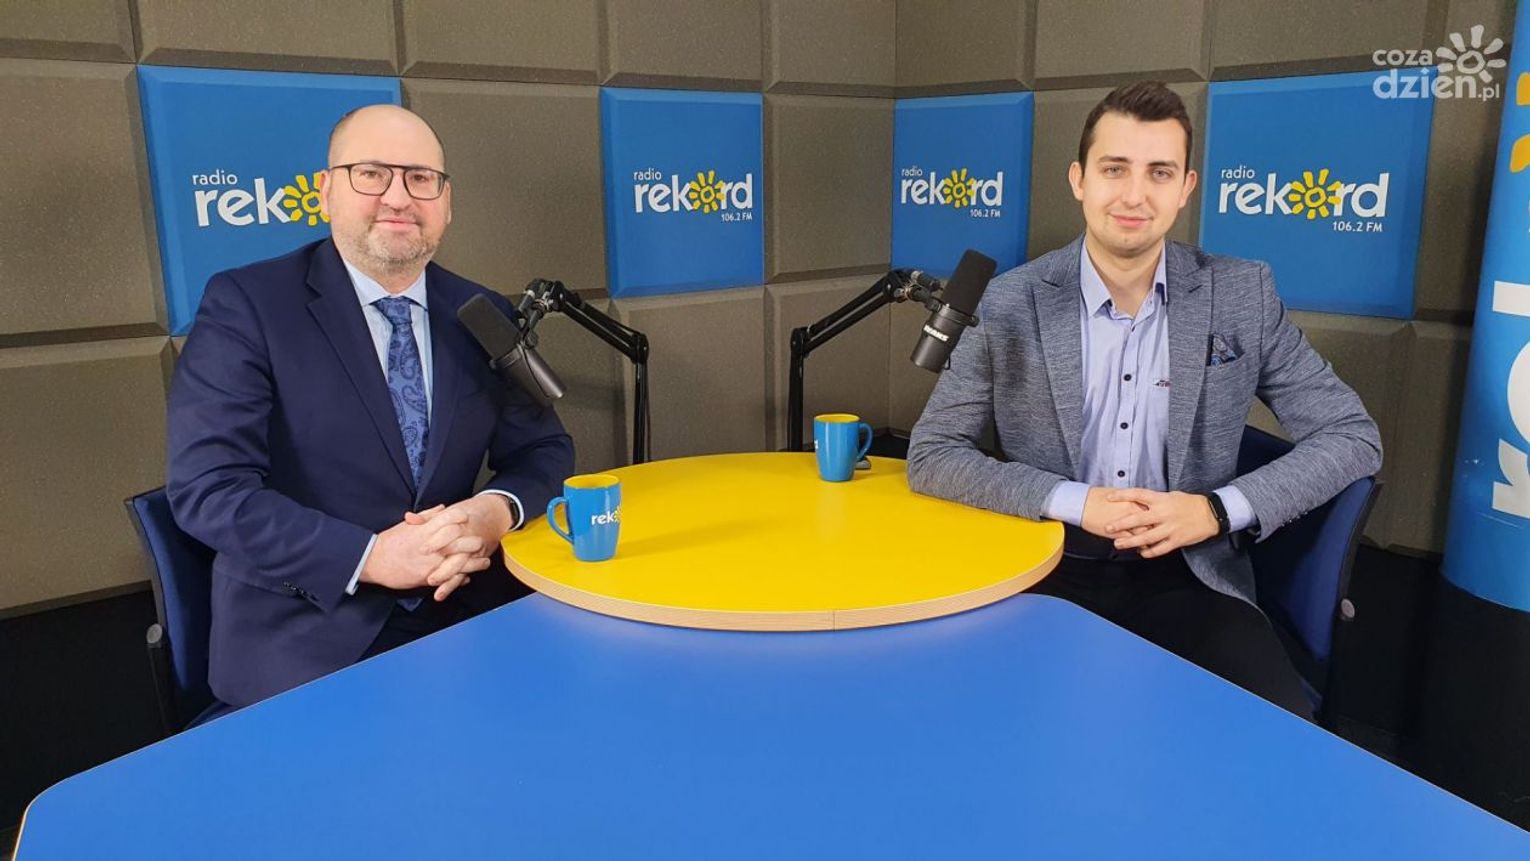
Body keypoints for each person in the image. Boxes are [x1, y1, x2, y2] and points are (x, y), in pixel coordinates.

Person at [906, 82, 1381, 718]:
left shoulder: (1241, 294)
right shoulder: (1009, 301)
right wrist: (1076, 502)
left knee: (1277, 737)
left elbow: (1353, 436)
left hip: (1190, 577)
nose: (1135, 195)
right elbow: (933, 454)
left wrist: (1216, 510)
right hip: (1043, 568)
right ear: (1079, 180)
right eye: (1114, 169)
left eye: (1159, 172)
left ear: (1186, 187)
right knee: (991, 726)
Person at [167, 104, 574, 714]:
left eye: (420, 178)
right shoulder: (248, 304)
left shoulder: (481, 312)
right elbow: (208, 489)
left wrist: (491, 513)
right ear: (325, 191)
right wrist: (373, 557)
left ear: (446, 202)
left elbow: (544, 448)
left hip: (464, 609)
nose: (398, 197)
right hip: (309, 634)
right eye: (372, 174)